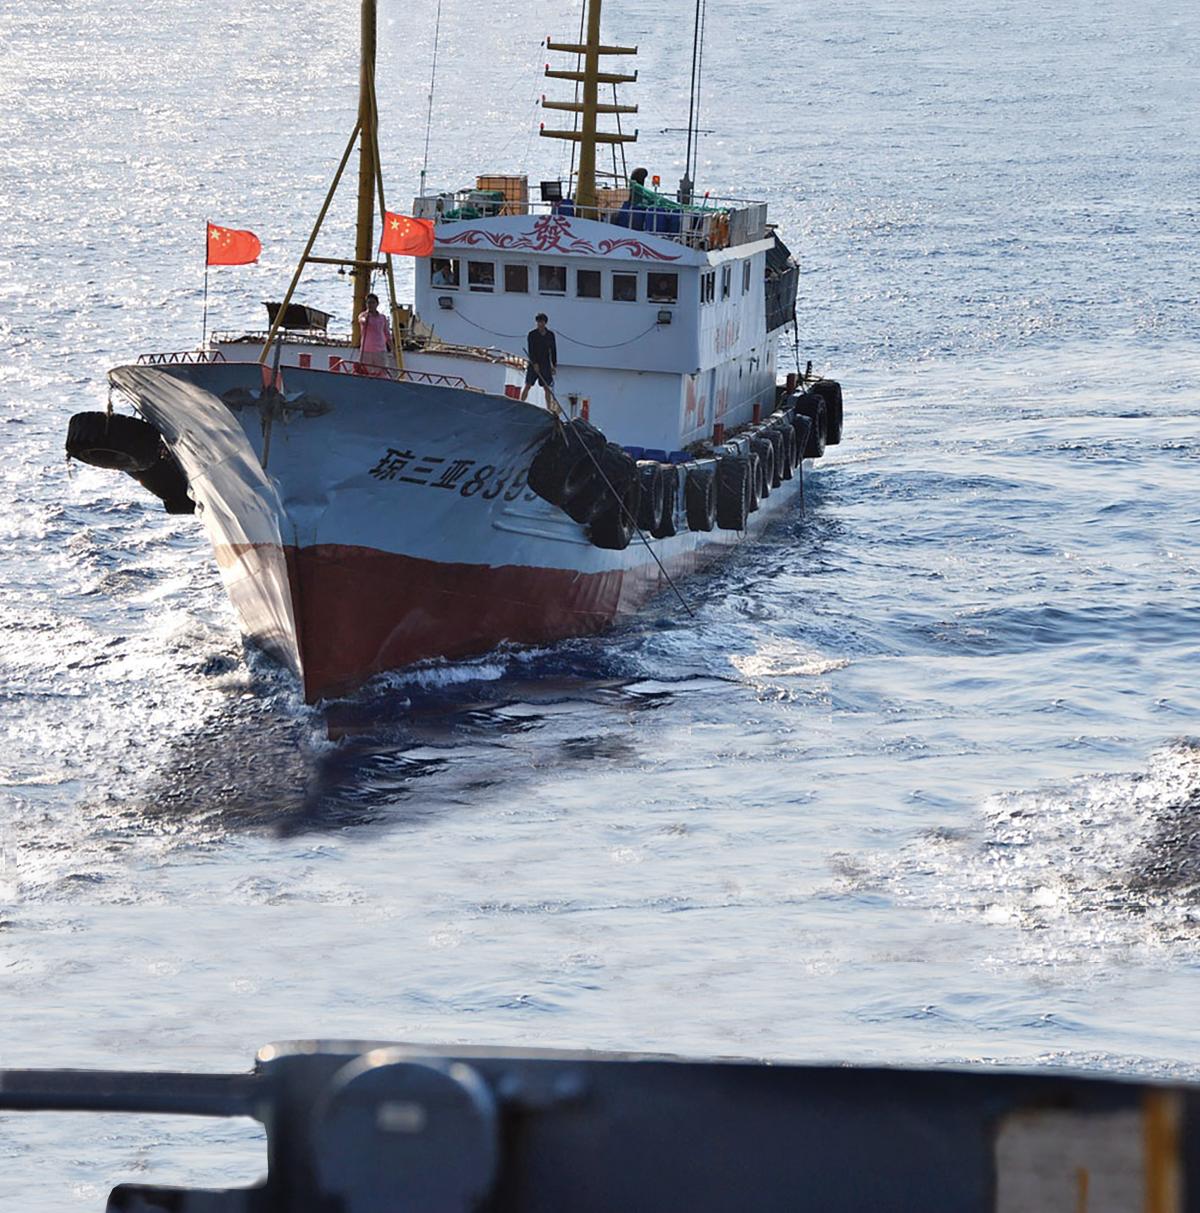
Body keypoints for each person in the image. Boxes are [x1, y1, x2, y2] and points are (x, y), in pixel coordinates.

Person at [520, 313, 557, 403]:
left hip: (545, 364)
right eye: (539, 322)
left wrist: (553, 365)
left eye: (542, 322)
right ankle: (520, 403)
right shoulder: (532, 334)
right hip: (533, 363)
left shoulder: (550, 335)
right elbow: (531, 350)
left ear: (545, 323)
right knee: (528, 385)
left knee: (547, 388)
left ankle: (549, 409)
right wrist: (535, 363)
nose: (540, 324)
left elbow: (553, 350)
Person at [357, 293, 392, 372]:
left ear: (377, 304)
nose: (370, 305)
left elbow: (387, 334)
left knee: (381, 373)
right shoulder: (363, 315)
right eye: (368, 303)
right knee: (364, 372)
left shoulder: (382, 318)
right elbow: (362, 320)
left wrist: (392, 348)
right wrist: (365, 319)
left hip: (380, 350)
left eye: (373, 302)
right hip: (366, 351)